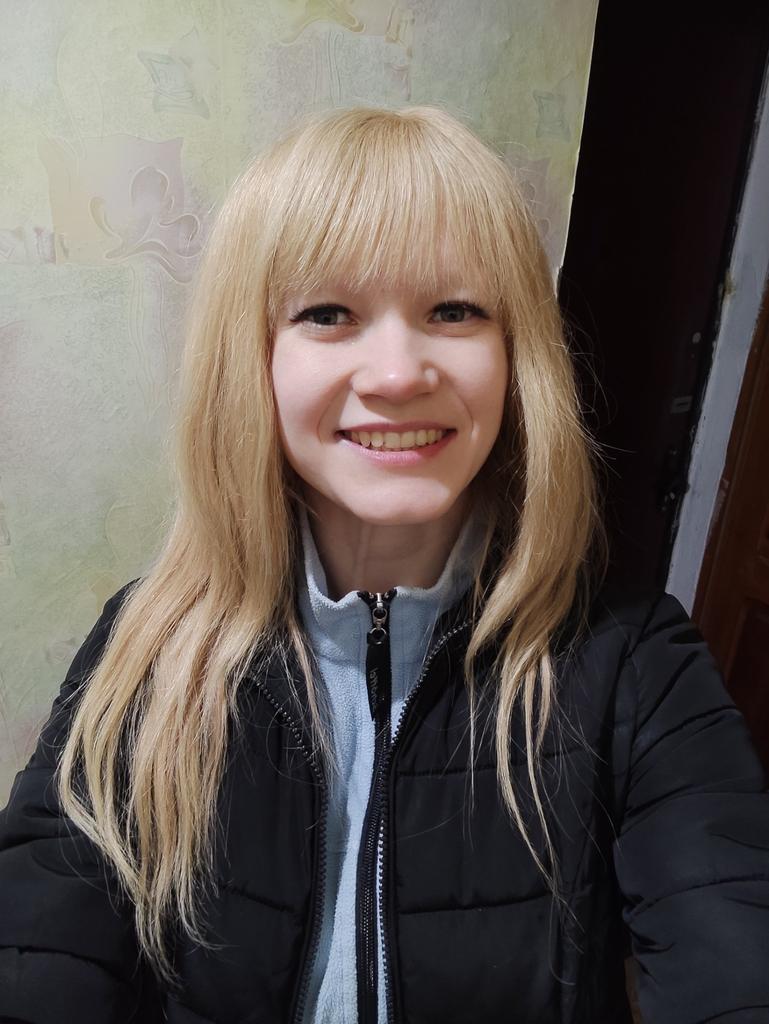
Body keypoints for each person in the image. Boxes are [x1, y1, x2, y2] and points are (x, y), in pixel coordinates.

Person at [1, 104, 768, 1024]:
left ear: (513, 352)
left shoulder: (635, 664)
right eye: (328, 314)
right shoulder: (146, 645)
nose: (398, 373)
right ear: (254, 359)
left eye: (455, 310)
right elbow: (41, 948)